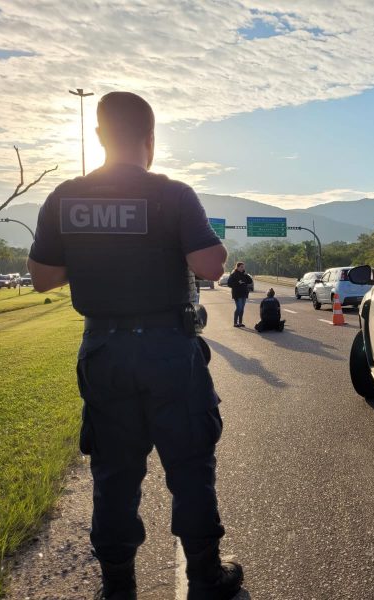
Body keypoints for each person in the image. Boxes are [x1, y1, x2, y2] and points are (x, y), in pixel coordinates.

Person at [27, 91, 243, 600]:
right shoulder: (172, 194)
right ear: (150, 140)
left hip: (103, 350)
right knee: (189, 465)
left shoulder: (64, 197)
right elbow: (211, 265)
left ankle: (118, 586)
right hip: (170, 350)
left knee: (114, 472)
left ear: (99, 136)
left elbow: (40, 277)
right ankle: (206, 577)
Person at [227, 262, 252, 327]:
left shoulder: (244, 274)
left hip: (244, 294)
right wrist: (238, 283)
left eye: (243, 267)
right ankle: (235, 323)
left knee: (242, 309)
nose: (243, 268)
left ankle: (240, 322)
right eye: (241, 267)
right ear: (237, 267)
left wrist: (246, 275)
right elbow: (229, 284)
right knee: (239, 308)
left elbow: (250, 281)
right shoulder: (233, 274)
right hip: (237, 294)